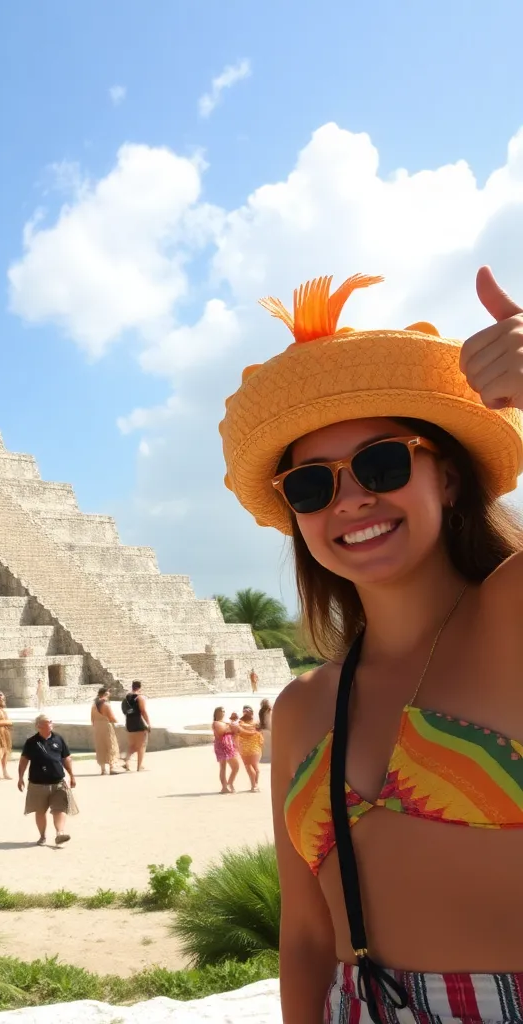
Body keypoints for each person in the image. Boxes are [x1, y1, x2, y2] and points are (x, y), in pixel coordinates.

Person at [220, 269, 523, 1021]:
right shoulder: (301, 707)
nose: (351, 498)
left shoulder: (512, 616)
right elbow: (306, 935)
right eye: (311, 486)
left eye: (384, 463)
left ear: (447, 479)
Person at [18, 715, 77, 845]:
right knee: (40, 811)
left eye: (51, 722)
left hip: (58, 782)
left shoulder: (58, 739)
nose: (51, 724)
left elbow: (66, 758)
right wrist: (20, 777)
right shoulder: (31, 742)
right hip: (37, 783)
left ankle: (60, 833)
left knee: (59, 809)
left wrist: (72, 775)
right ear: (38, 726)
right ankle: (42, 836)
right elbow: (23, 761)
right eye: (47, 722)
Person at [90, 685, 122, 775]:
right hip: (105, 726)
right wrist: (118, 721)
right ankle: (112, 767)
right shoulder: (106, 705)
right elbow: (111, 717)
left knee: (100, 746)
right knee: (110, 745)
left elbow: (92, 719)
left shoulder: (94, 706)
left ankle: (103, 769)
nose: (109, 694)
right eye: (108, 692)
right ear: (105, 694)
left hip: (97, 727)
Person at [121, 679, 151, 771]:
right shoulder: (139, 698)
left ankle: (126, 762)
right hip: (138, 723)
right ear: (140, 687)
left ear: (132, 686)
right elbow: (143, 711)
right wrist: (148, 723)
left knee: (132, 745)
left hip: (129, 723)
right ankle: (139, 766)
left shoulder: (126, 697)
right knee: (141, 745)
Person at [234, 705, 264, 792]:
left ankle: (254, 785)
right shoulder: (255, 723)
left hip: (245, 748)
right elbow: (260, 734)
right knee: (255, 768)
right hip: (254, 747)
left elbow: (236, 732)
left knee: (249, 766)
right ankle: (255, 785)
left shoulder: (240, 723)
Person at [212, 706, 241, 794]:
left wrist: (232, 724)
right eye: (221, 711)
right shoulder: (216, 723)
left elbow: (237, 730)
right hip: (222, 746)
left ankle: (229, 783)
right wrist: (231, 727)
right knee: (223, 767)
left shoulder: (226, 723)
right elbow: (222, 731)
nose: (223, 713)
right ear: (217, 713)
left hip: (229, 745)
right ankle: (224, 787)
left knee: (235, 766)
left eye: (224, 711)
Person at [258, 698, 273, 765]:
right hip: (269, 729)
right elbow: (269, 721)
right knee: (269, 744)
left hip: (263, 729)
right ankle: (269, 758)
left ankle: (265, 757)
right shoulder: (269, 711)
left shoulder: (261, 711)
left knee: (265, 745)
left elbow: (262, 721)